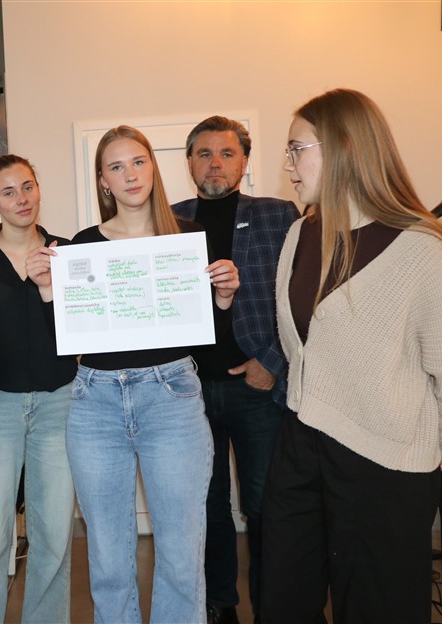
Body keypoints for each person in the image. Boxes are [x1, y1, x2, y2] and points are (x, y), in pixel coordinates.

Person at [262, 88, 442, 624]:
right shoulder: (299, 234)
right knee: (282, 598)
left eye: (296, 149)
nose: (288, 165)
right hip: (299, 446)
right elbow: (301, 350)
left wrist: (434, 447)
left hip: (384, 464)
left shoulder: (423, 250)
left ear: (344, 148)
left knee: (379, 608)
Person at [27, 125, 240, 624]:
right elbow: (67, 340)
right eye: (116, 167)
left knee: (182, 553)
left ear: (153, 167)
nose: (130, 174)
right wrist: (47, 291)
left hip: (172, 398)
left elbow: (205, 333)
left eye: (138, 162)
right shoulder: (81, 246)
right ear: (103, 180)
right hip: (95, 401)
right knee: (107, 557)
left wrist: (224, 297)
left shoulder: (188, 239)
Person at [171, 117, 298, 624]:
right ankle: (220, 604)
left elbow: (303, 297)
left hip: (256, 386)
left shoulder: (278, 215)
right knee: (206, 506)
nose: (215, 164)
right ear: (189, 162)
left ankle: (273, 607)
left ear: (244, 161)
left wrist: (272, 362)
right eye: (204, 154)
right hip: (187, 389)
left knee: (266, 505)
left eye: (226, 154)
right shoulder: (168, 220)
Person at [0, 155, 78, 624]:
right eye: (8, 192)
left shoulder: (67, 252)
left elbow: (77, 335)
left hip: (59, 401)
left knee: (54, 532)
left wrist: (50, 291)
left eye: (28, 186)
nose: (22, 199)